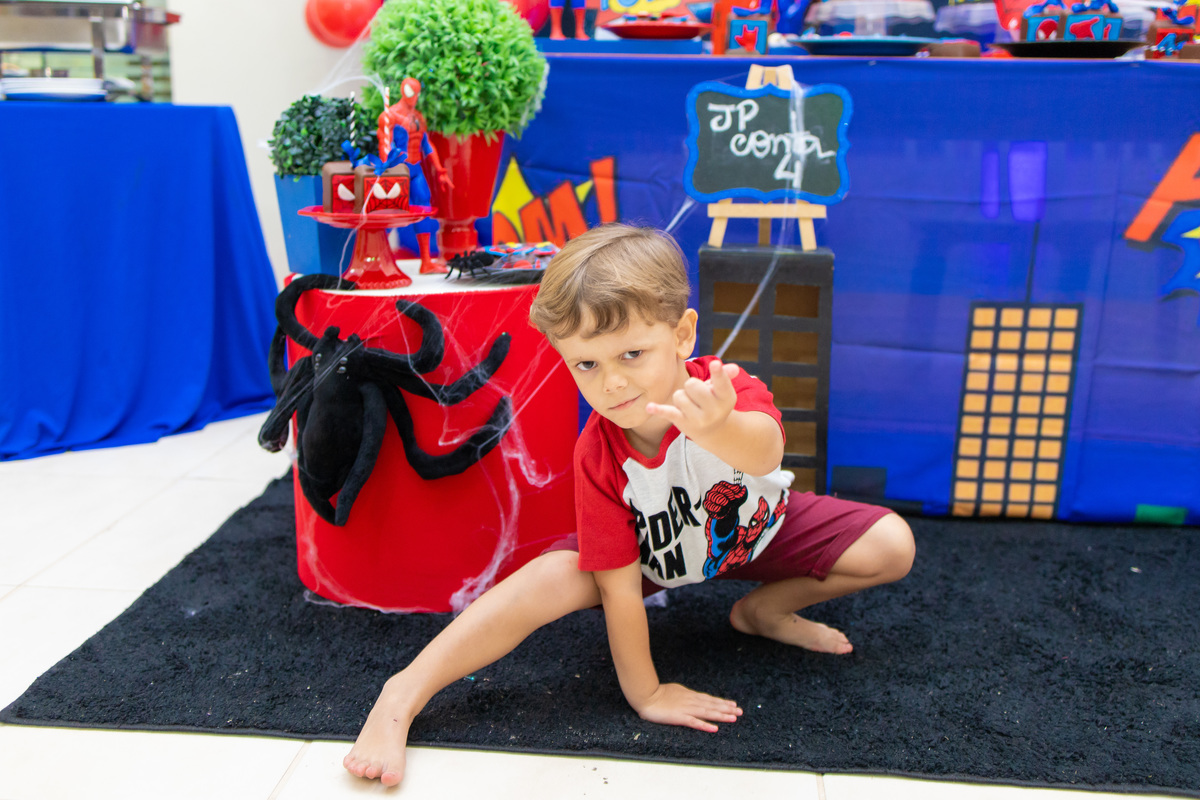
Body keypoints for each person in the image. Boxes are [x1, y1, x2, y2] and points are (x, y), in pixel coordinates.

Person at [344, 223, 915, 787]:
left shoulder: (725, 391)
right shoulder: (597, 454)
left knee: (893, 546)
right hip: (653, 560)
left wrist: (717, 427)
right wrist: (647, 693)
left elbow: (765, 456)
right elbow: (620, 592)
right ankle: (404, 691)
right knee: (549, 575)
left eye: (633, 353)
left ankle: (763, 612)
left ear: (682, 335)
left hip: (758, 531)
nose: (612, 383)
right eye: (586, 365)